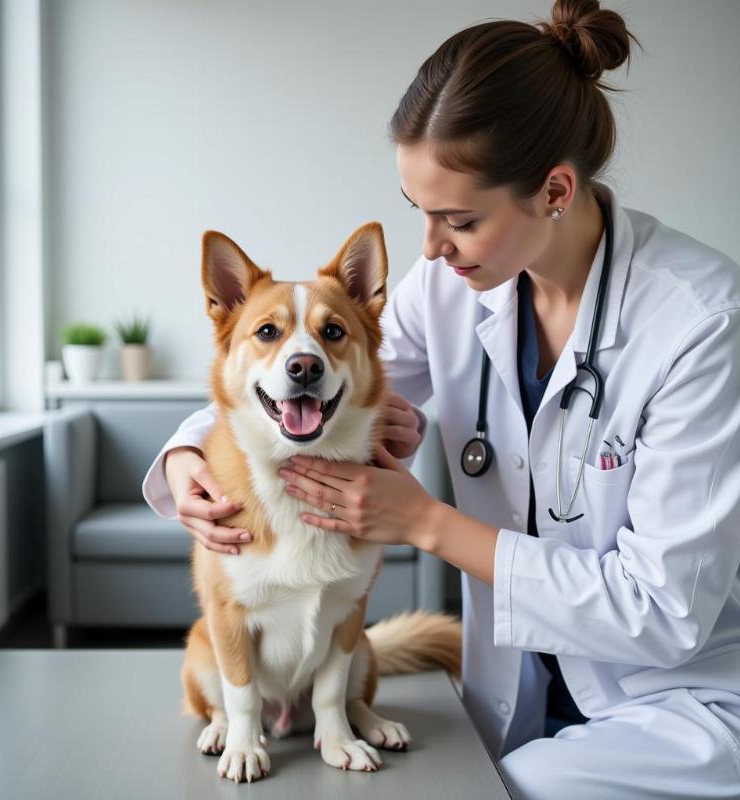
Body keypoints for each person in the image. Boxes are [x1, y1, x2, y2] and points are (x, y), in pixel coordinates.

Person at [142, 1, 740, 797]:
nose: (429, 249)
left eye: (458, 219)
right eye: (418, 212)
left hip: (671, 701)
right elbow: (315, 380)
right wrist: (188, 454)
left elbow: (661, 612)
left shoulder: (700, 324)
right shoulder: (455, 286)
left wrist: (424, 520)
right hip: (515, 687)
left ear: (555, 190)